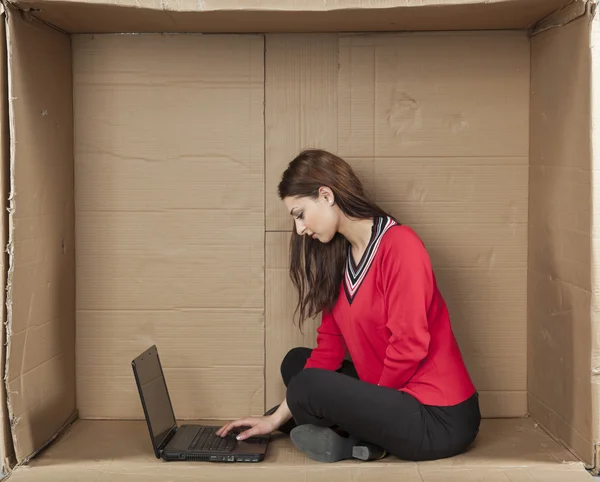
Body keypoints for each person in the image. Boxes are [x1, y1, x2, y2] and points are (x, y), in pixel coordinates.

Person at [216, 149, 481, 463]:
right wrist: (274, 420)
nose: (300, 229)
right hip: (393, 396)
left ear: (326, 195)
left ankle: (353, 435)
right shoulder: (338, 259)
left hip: (438, 417)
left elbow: (409, 345)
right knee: (296, 364)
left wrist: (370, 408)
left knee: (309, 387)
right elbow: (328, 349)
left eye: (299, 213)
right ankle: (363, 442)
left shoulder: (401, 246)